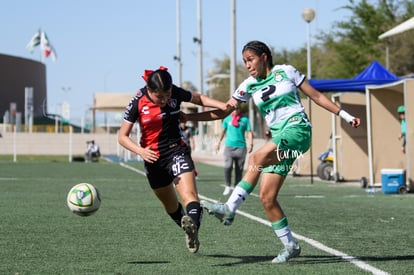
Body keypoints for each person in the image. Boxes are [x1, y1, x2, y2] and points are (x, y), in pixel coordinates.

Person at [186, 40, 361, 263]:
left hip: (298, 130)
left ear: (264, 57)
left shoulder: (285, 71)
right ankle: (290, 245)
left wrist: (345, 116)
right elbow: (222, 112)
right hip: (280, 140)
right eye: (245, 62)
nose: (248, 65)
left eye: (251, 60)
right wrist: (188, 117)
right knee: (267, 198)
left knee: (256, 157)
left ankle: (229, 208)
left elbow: (316, 96)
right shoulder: (248, 85)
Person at [117, 67, 230, 253]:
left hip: (176, 150)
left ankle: (193, 222)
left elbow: (199, 98)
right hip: (152, 158)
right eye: (159, 97)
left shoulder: (176, 92)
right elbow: (122, 136)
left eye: (167, 95)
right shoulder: (138, 100)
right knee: (170, 206)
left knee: (189, 196)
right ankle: (189, 231)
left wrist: (221, 105)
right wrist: (140, 151)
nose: (164, 100)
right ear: (149, 90)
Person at [216, 107, 253, 195]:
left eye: (237, 109)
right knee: (228, 166)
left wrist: (251, 144)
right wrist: (218, 142)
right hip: (229, 147)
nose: (235, 110)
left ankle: (236, 187)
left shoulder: (245, 120)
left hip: (241, 147)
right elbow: (223, 131)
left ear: (240, 110)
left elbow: (249, 132)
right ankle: (227, 186)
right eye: (234, 109)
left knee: (239, 169)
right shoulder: (227, 119)